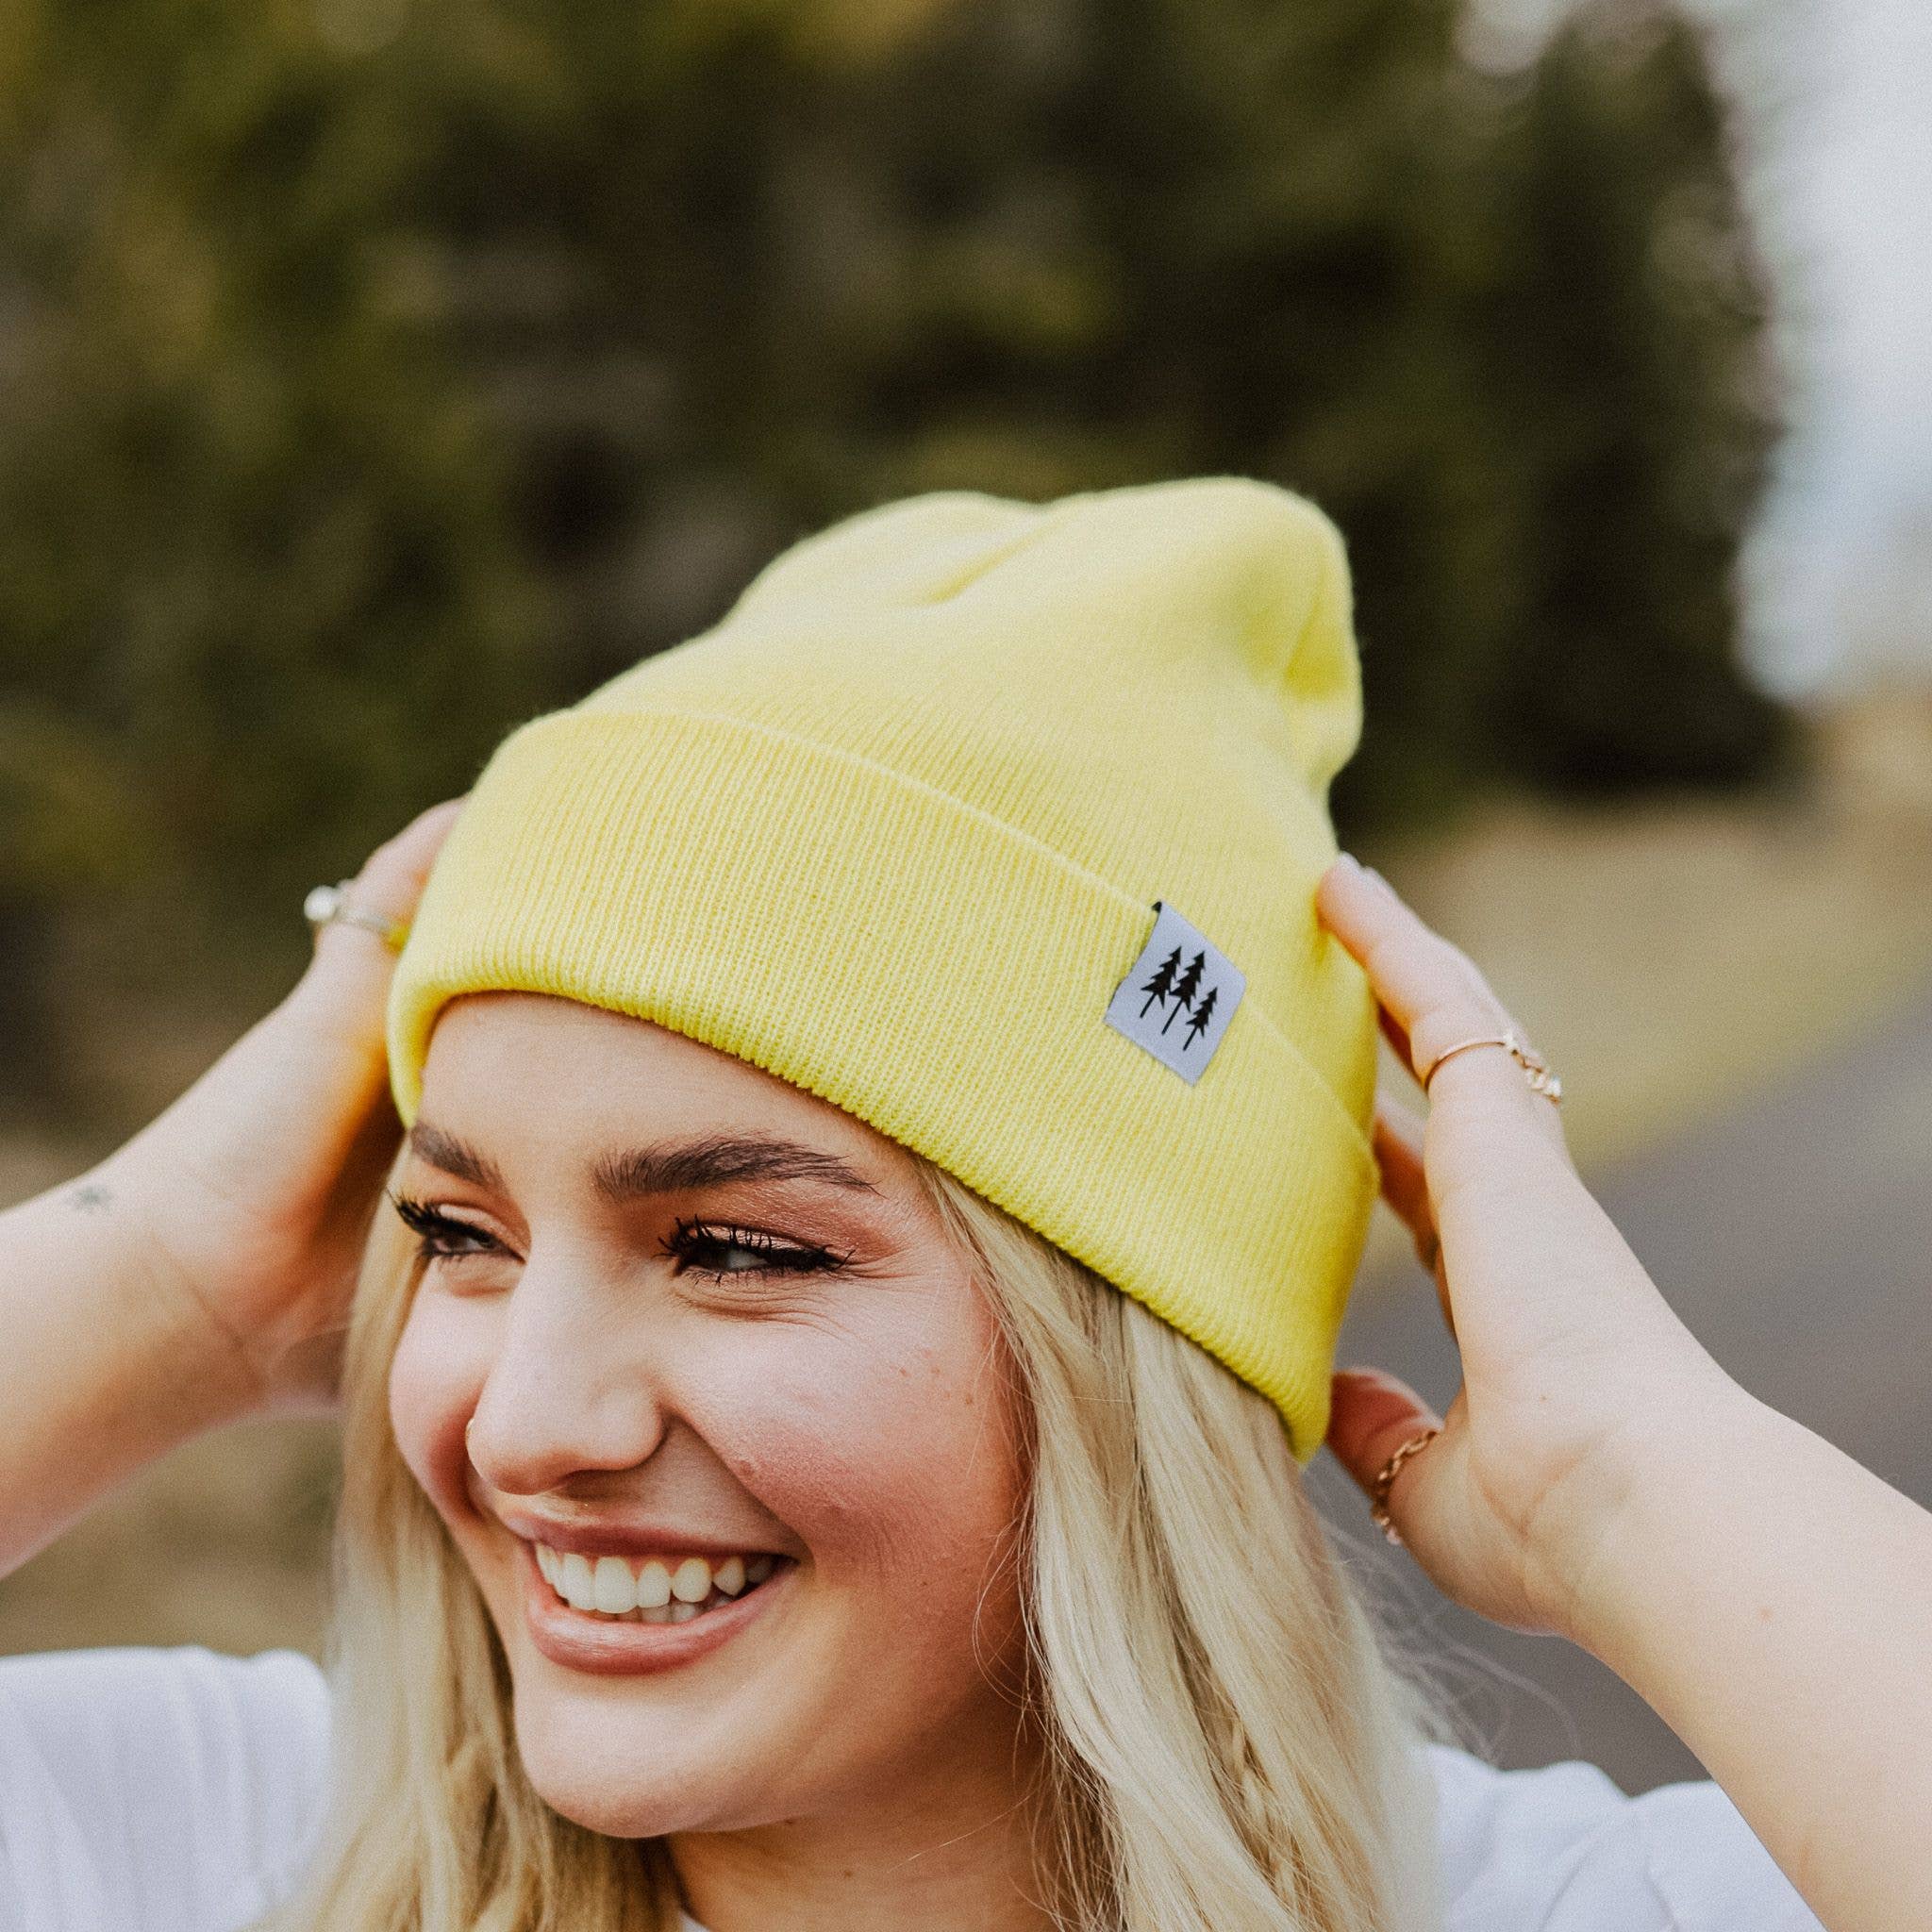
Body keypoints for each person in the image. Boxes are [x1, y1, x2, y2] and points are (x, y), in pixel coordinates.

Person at [0, 478, 1915, 1932]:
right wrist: (174, 1281)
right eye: (460, 1234)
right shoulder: (214, 1852)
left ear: (1126, 1345)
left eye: (735, 1246)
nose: (524, 1424)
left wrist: (1618, 1471)